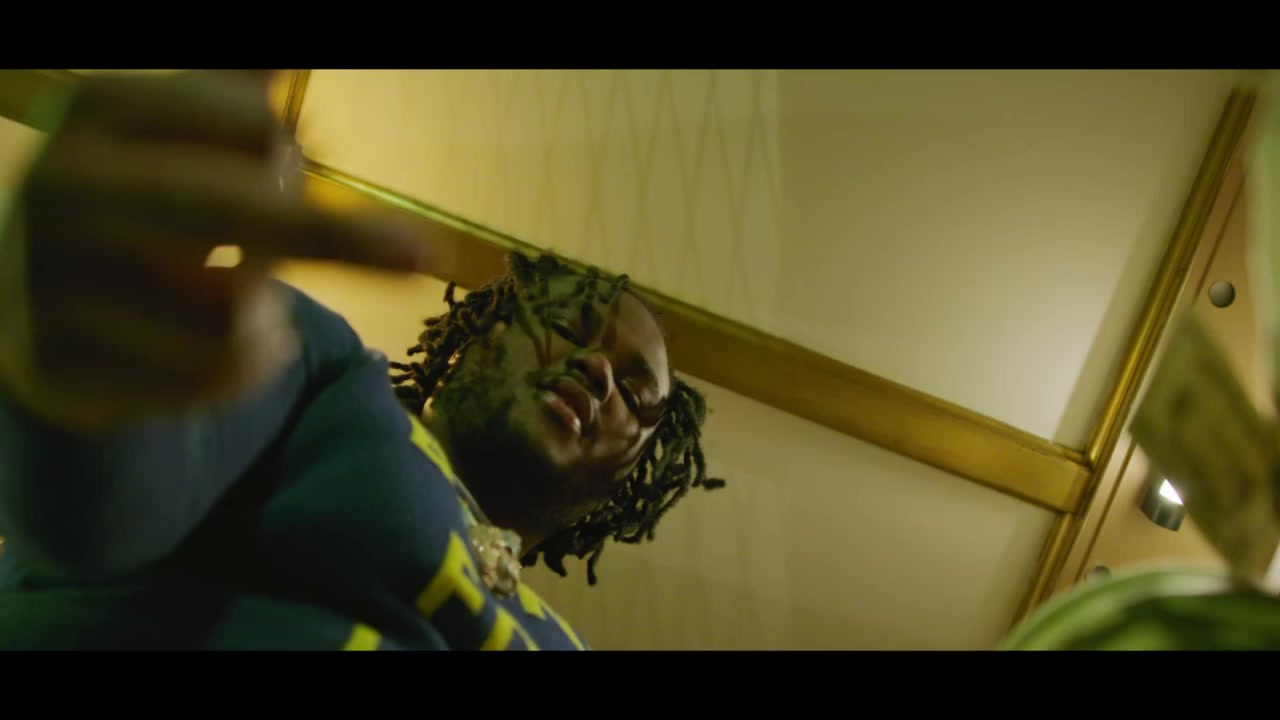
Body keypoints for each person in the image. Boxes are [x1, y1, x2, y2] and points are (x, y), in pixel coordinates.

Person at [0, 70, 723, 650]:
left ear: (621, 491)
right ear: (485, 328)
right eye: (570, 325)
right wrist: (81, 384)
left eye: (637, 396)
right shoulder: (323, 370)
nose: (599, 371)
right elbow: (97, 511)